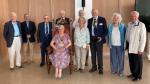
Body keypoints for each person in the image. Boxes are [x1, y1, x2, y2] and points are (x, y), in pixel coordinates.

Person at [126, 11, 146, 81]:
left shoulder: (141, 25)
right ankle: (133, 73)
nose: (132, 17)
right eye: (131, 16)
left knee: (138, 62)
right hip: (130, 46)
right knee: (131, 62)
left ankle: (138, 76)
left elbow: (143, 39)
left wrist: (141, 49)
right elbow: (127, 35)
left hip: (137, 48)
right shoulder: (129, 24)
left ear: (137, 17)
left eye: (134, 16)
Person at [87, 9, 108, 74]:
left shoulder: (102, 19)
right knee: (93, 54)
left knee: (99, 55)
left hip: (99, 39)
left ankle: (100, 68)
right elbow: (88, 30)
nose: (94, 13)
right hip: (92, 39)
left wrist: (101, 37)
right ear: (91, 13)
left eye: (95, 12)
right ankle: (94, 67)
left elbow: (106, 30)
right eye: (93, 12)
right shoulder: (89, 20)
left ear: (98, 13)